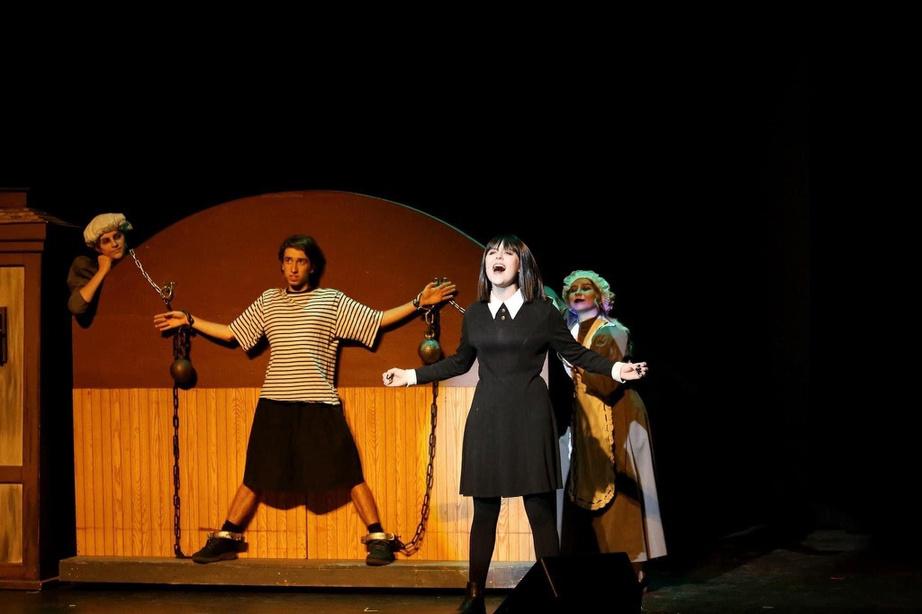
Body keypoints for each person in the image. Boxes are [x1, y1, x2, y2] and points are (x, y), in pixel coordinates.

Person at [153, 234, 456, 566]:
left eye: (300, 261)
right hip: (274, 402)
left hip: (318, 403)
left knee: (349, 472)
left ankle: (377, 538)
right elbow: (231, 333)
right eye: (288, 261)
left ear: (311, 267)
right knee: (255, 474)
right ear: (281, 265)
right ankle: (226, 538)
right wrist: (190, 320)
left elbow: (376, 319)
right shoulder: (269, 301)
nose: (293, 268)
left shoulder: (330, 301)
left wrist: (418, 302)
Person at [382, 235, 647, 613]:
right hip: (487, 417)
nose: (498, 258)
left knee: (540, 512)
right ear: (485, 265)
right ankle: (474, 595)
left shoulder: (542, 312)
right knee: (484, 511)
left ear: (521, 264)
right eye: (492, 253)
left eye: (508, 253)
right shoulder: (475, 314)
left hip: (530, 418)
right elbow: (459, 362)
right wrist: (410, 376)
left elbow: (576, 353)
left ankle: (556, 596)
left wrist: (618, 369)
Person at [559, 270, 666, 584]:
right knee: (588, 494)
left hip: (619, 417)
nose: (578, 292)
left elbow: (605, 382)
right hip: (586, 421)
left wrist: (576, 361)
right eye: (573, 289)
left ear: (601, 297)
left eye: (586, 288)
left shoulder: (612, 331)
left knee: (621, 494)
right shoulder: (572, 333)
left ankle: (633, 570)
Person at [67, 212, 133, 318]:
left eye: (117, 236)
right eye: (106, 241)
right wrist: (102, 271)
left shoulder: (135, 260)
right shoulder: (87, 266)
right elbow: (77, 307)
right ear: (98, 248)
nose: (114, 244)